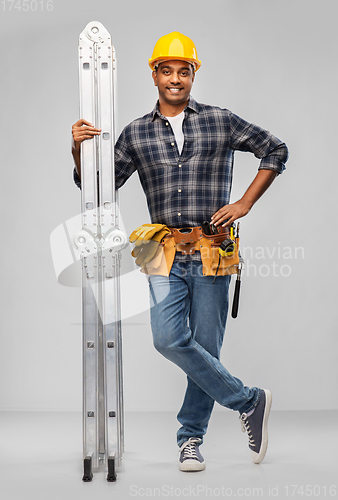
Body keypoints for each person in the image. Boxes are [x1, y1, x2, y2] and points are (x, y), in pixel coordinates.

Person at [72, 32, 288, 472]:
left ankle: (190, 439)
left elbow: (275, 150)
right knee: (167, 339)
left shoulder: (220, 120)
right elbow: (99, 186)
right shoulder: (136, 132)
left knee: (205, 347)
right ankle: (249, 401)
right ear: (154, 75)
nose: (175, 78)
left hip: (212, 249)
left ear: (193, 75)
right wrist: (78, 150)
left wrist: (245, 203)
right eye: (166, 70)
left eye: (183, 71)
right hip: (159, 250)